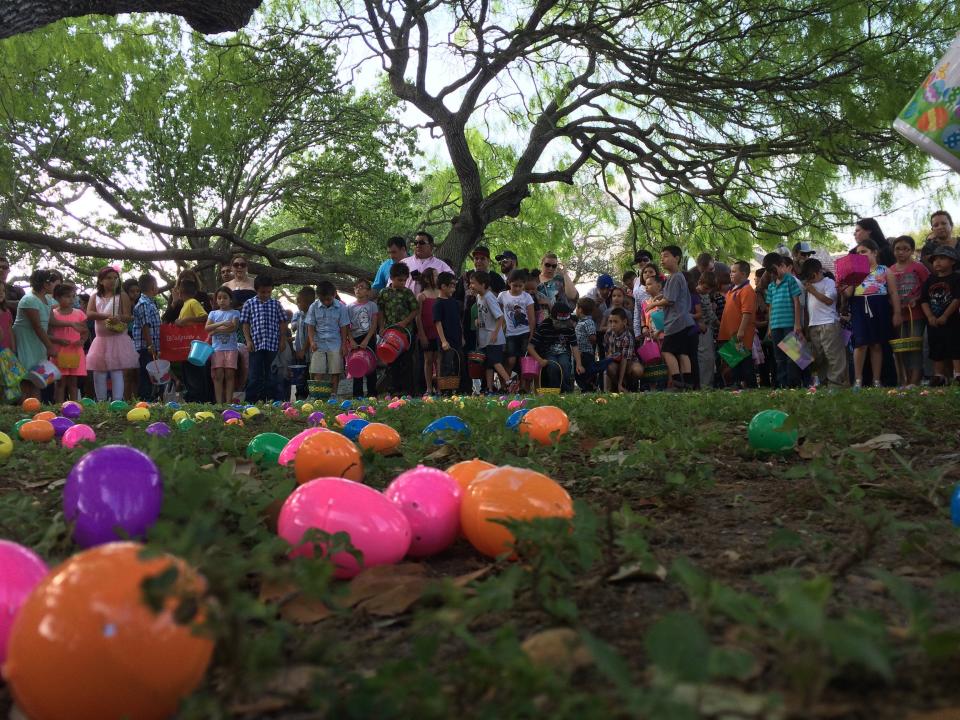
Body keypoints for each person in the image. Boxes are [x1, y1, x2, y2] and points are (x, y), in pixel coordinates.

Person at [843, 238, 901, 389]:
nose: (860, 255)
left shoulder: (885, 270)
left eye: (864, 251)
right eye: (858, 253)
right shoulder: (855, 272)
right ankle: (858, 380)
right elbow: (849, 293)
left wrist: (897, 313)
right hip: (859, 308)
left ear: (875, 252)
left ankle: (876, 380)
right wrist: (844, 284)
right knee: (860, 344)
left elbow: (894, 293)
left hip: (880, 308)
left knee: (877, 344)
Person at [86, 266, 139, 402]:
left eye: (115, 278)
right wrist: (106, 315)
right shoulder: (94, 296)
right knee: (99, 371)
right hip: (101, 340)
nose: (112, 280)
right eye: (109, 278)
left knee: (116, 370)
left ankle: (117, 401)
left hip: (117, 338)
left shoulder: (122, 295)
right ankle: (102, 401)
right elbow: (90, 313)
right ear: (101, 280)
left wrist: (119, 318)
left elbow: (128, 316)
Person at [646, 246, 696, 390]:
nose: (662, 259)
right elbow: (672, 296)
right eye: (661, 256)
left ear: (677, 258)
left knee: (667, 351)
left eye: (666, 256)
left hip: (675, 321)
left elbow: (670, 300)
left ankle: (677, 381)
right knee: (682, 352)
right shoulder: (676, 277)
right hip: (683, 320)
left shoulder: (674, 277)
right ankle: (688, 382)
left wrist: (654, 303)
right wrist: (662, 296)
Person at [799, 259, 848, 388]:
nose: (811, 280)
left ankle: (836, 384)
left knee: (833, 355)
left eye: (812, 277)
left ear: (819, 272)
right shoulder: (809, 285)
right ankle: (823, 382)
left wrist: (813, 291)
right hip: (813, 324)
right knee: (818, 356)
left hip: (829, 323)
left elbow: (829, 301)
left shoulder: (829, 282)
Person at [240, 275, 288, 402]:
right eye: (262, 292)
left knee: (272, 374)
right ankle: (251, 402)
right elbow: (245, 323)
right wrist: (248, 340)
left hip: (273, 344)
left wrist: (282, 340)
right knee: (254, 375)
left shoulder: (276, 304)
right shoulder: (249, 304)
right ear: (256, 290)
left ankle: (273, 401)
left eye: (268, 292)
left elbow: (283, 322)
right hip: (256, 344)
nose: (266, 294)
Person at [890, 236, 930, 387]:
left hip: (917, 315)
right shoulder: (891, 270)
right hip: (899, 316)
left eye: (905, 249)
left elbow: (928, 287)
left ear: (912, 250)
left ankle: (915, 380)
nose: (901, 252)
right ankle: (907, 379)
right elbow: (889, 292)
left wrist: (917, 299)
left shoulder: (918, 267)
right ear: (893, 251)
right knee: (902, 347)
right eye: (898, 249)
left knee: (915, 346)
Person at [762, 253, 804, 388]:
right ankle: (783, 385)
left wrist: (797, 323)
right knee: (779, 358)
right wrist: (769, 327)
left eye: (775, 270)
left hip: (789, 324)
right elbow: (771, 307)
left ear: (783, 266)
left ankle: (795, 384)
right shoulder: (771, 286)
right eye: (770, 272)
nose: (774, 274)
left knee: (794, 356)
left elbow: (796, 302)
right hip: (775, 326)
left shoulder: (790, 280)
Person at [920, 246, 960, 385]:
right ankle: (939, 375)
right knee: (936, 347)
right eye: (935, 259)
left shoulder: (956, 278)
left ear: (953, 261)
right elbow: (924, 300)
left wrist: (945, 316)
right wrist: (930, 316)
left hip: (953, 321)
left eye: (942, 258)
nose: (937, 262)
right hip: (933, 322)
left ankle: (957, 374)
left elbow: (957, 299)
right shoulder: (930, 280)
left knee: (955, 346)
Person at [378, 262, 419, 395]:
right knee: (391, 361)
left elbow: (415, 310)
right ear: (391, 278)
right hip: (390, 334)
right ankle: (393, 390)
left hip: (406, 333)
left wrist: (405, 322)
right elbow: (381, 311)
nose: (402, 283)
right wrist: (382, 327)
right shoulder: (384, 293)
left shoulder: (407, 293)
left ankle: (407, 390)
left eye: (404, 280)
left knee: (406, 361)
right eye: (399, 280)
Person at [306, 280, 350, 399]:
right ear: (318, 297)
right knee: (317, 370)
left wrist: (344, 345)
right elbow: (310, 326)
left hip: (335, 343)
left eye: (328, 300)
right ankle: (318, 396)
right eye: (322, 300)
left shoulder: (341, 307)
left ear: (334, 294)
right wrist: (312, 341)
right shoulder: (314, 306)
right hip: (319, 343)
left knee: (335, 370)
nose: (326, 302)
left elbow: (344, 327)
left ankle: (333, 395)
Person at [717, 261, 758, 388]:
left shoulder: (746, 290)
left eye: (734, 271)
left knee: (744, 361)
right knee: (734, 362)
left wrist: (741, 331)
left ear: (744, 274)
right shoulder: (731, 291)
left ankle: (751, 386)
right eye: (731, 271)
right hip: (729, 334)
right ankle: (737, 385)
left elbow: (747, 312)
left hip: (739, 335)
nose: (731, 274)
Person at [471, 270, 513, 392]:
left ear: (483, 284)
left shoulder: (489, 297)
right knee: (488, 364)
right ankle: (489, 388)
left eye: (473, 283)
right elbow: (482, 314)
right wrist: (477, 321)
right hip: (485, 337)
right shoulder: (479, 297)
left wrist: (495, 333)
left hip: (494, 338)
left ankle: (509, 381)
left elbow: (500, 317)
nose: (471, 286)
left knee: (495, 361)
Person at [528, 300, 583, 392]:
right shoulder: (544, 325)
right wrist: (540, 360)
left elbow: (575, 346)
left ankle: (566, 391)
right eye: (559, 322)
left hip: (564, 352)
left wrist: (579, 364)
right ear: (552, 318)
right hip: (548, 353)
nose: (563, 325)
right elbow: (530, 347)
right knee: (553, 367)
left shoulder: (569, 327)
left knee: (565, 365)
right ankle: (554, 391)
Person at [50, 283, 88, 404]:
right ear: (57, 297)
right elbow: (49, 334)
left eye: (73, 296)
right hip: (59, 352)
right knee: (60, 382)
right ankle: (59, 407)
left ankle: (74, 406)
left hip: (75, 352)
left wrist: (82, 341)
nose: (71, 299)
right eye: (67, 296)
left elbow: (85, 332)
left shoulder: (79, 313)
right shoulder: (53, 314)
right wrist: (58, 340)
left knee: (73, 382)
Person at [174, 279, 210, 402]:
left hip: (195, 346)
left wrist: (185, 320)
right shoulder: (184, 304)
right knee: (187, 372)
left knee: (194, 372)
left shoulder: (193, 302)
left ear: (180, 291)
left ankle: (198, 398)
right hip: (185, 346)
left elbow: (205, 317)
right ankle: (191, 397)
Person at [497, 269, 535, 384]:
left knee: (524, 360)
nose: (517, 288)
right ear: (509, 283)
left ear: (524, 284)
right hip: (510, 333)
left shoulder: (527, 297)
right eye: (515, 285)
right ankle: (506, 384)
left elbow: (531, 317)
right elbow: (498, 313)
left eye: (520, 286)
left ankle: (523, 386)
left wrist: (532, 335)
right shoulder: (502, 295)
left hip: (525, 332)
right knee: (511, 360)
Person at [205, 287, 241, 404]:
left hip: (231, 348)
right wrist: (222, 323)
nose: (222, 300)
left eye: (225, 297)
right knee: (218, 375)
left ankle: (229, 402)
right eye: (219, 298)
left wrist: (215, 330)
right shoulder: (213, 313)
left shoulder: (235, 312)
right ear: (216, 300)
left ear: (230, 299)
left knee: (230, 375)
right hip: (217, 349)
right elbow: (207, 328)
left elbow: (233, 328)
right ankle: (219, 403)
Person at [132, 273, 162, 400]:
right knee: (146, 374)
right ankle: (145, 400)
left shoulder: (150, 302)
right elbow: (146, 326)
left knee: (150, 375)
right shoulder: (144, 303)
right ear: (153, 286)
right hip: (146, 347)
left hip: (150, 346)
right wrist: (150, 345)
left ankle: (149, 398)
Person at [348, 279, 379, 398]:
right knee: (356, 366)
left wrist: (367, 340)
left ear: (368, 291)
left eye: (361, 287)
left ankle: (372, 394)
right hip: (355, 339)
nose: (358, 289)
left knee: (371, 366)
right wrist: (351, 340)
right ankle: (357, 396)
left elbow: (374, 324)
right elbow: (347, 326)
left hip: (369, 338)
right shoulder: (349, 307)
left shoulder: (372, 305)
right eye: (356, 287)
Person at [433, 271, 463, 394]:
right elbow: (438, 322)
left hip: (457, 337)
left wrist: (462, 336)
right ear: (443, 286)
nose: (454, 288)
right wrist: (443, 340)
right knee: (446, 363)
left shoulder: (455, 303)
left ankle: (456, 388)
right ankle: (446, 390)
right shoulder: (438, 303)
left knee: (457, 362)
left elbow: (458, 321)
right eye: (451, 285)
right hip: (446, 339)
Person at [604, 307, 643, 392]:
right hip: (615, 361)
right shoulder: (608, 333)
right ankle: (614, 388)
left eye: (615, 321)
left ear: (624, 322)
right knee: (609, 366)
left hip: (628, 362)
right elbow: (607, 352)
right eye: (610, 322)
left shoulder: (627, 336)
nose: (612, 324)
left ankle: (629, 386)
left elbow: (625, 360)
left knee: (638, 370)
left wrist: (620, 382)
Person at [402, 231, 453, 295]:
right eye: (416, 243)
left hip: (432, 303)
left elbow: (451, 284)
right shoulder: (404, 263)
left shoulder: (442, 266)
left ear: (431, 246)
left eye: (421, 243)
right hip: (407, 302)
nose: (418, 245)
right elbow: (391, 284)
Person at [0, 281, 27, 401]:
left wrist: (13, 349)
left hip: (6, 352)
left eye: (3, 291)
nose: (1, 293)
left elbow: (10, 330)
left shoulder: (6, 311)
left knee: (10, 380)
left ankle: (7, 407)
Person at [417, 269, 441, 395]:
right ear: (427, 279)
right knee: (428, 359)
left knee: (438, 359)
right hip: (427, 333)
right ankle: (429, 387)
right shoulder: (421, 296)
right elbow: (418, 317)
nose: (437, 277)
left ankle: (439, 387)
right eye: (435, 275)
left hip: (439, 332)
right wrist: (422, 335)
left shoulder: (441, 294)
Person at [695, 271, 719, 389]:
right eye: (705, 288)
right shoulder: (695, 294)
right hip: (701, 330)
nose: (707, 291)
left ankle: (707, 383)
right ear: (699, 282)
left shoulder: (705, 295)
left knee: (709, 358)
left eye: (709, 289)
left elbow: (709, 313)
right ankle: (704, 385)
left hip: (708, 329)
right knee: (705, 358)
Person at [574, 297, 599, 391]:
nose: (576, 310)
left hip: (585, 353)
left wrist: (588, 344)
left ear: (580, 309)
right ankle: (584, 389)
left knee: (586, 373)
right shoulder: (581, 322)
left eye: (576, 308)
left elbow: (592, 337)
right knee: (579, 373)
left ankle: (589, 389)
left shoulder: (588, 322)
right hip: (579, 353)